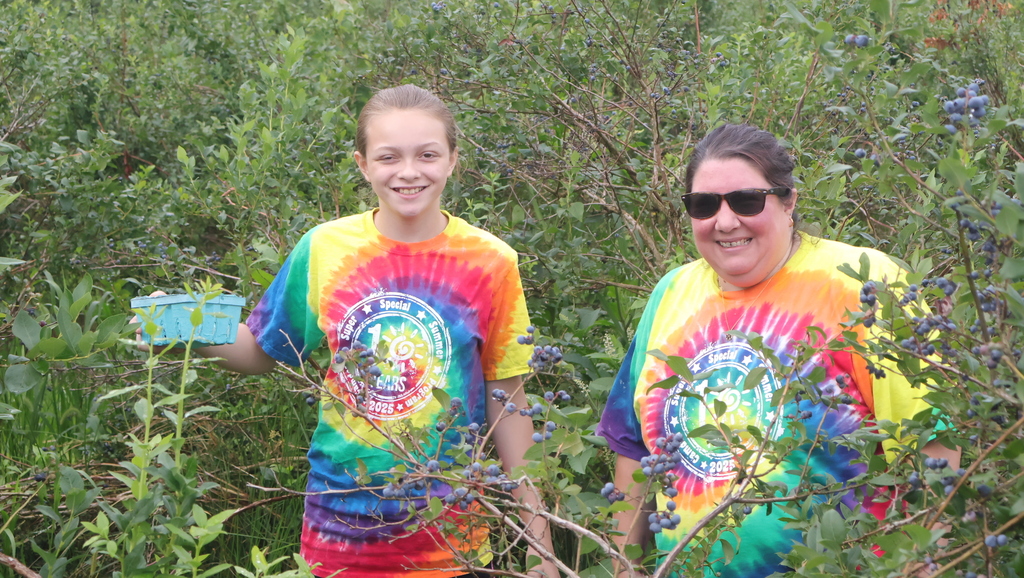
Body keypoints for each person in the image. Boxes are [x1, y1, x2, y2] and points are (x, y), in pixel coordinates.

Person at [141, 84, 558, 578]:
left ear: (452, 160)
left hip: (450, 538)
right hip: (337, 529)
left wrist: (541, 545)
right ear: (363, 164)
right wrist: (177, 322)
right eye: (388, 156)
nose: (408, 172)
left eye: (427, 154)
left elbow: (507, 400)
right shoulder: (325, 248)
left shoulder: (491, 261)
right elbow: (260, 352)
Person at [597, 124, 959, 578]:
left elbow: (932, 446)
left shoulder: (864, 287)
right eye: (704, 204)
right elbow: (633, 450)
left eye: (746, 200)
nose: (725, 221)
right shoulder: (670, 294)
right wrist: (623, 568)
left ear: (788, 202)